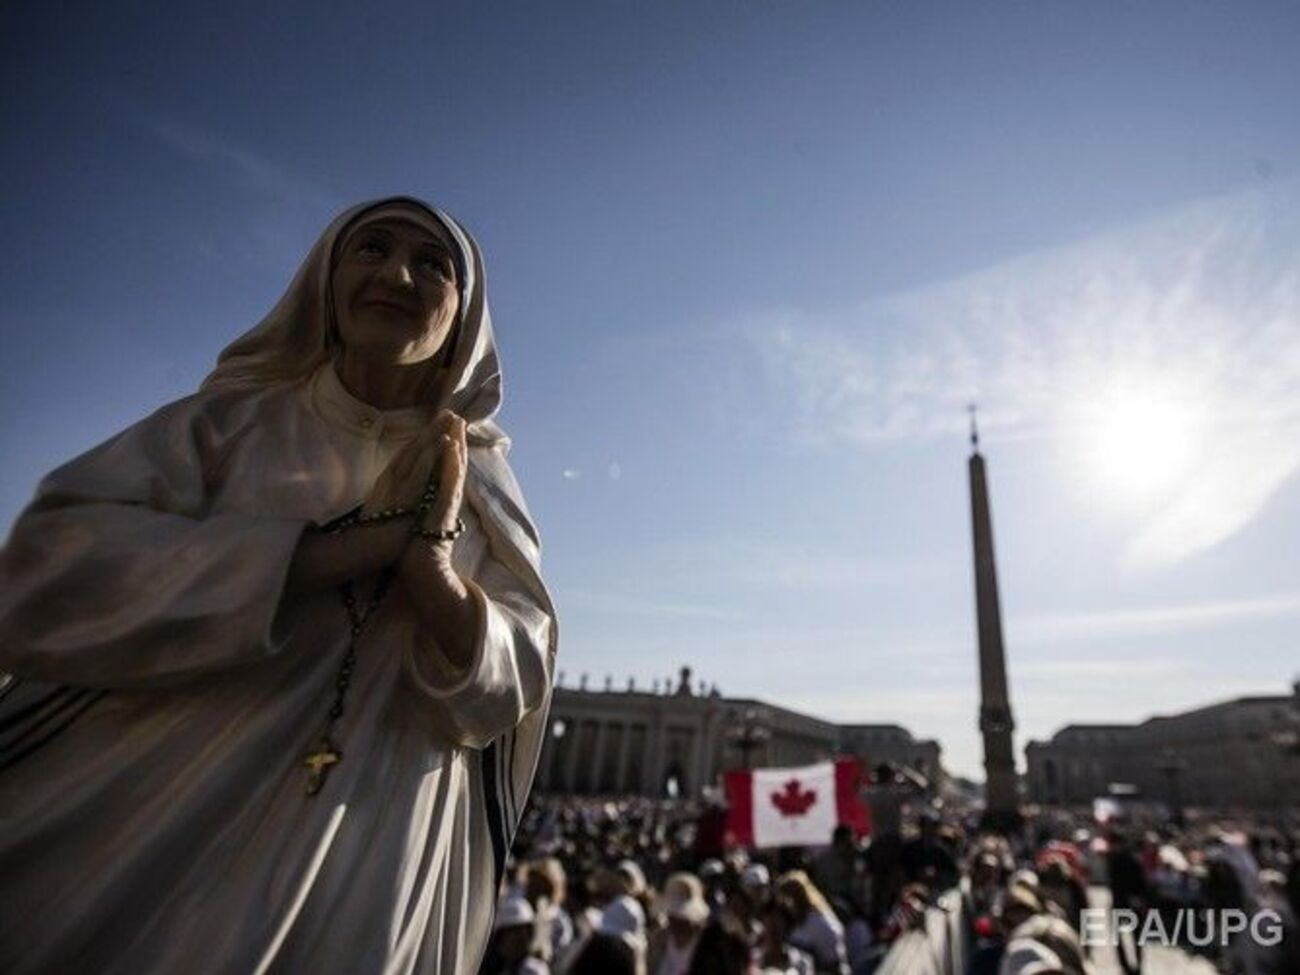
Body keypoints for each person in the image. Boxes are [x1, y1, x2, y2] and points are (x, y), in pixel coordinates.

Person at [0, 197, 558, 974]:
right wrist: (332, 553)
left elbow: (512, 685)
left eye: (432, 264)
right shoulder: (227, 426)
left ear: (465, 319)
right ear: (325, 280)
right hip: (171, 803)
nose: (397, 275)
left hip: (370, 836)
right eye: (373, 249)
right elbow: (45, 570)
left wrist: (431, 570)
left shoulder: (485, 481)